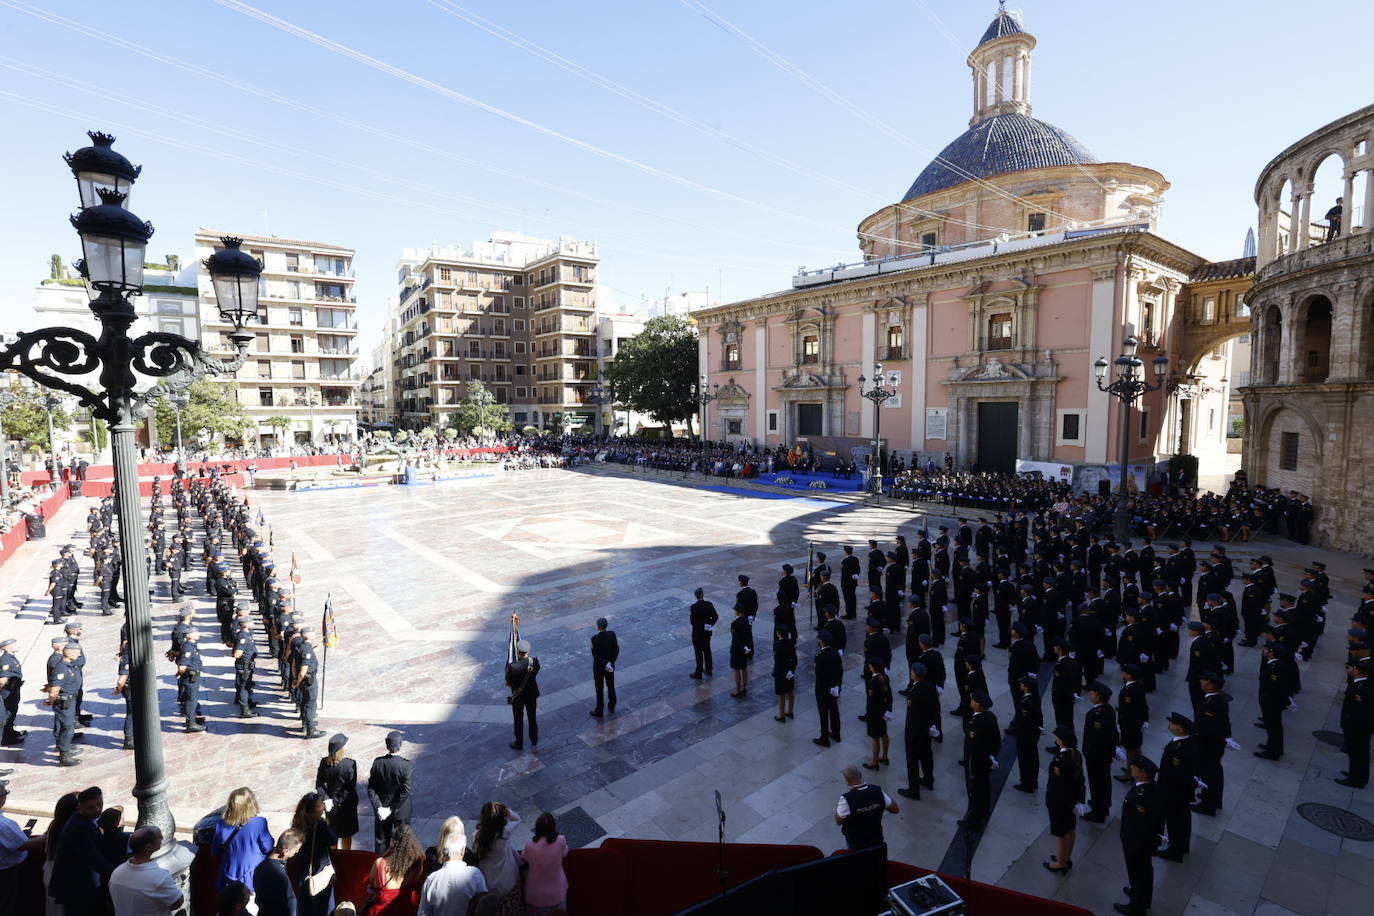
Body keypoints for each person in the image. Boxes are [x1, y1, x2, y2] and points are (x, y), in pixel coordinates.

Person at [50, 786, 114, 913]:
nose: (97, 809)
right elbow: (94, 859)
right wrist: (119, 874)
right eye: (91, 807)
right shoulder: (80, 828)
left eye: (99, 804)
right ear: (79, 807)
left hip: (79, 884)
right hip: (76, 888)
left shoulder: (83, 820)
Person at [1115, 756, 1163, 915]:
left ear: (1143, 773)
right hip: (1141, 841)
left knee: (1137, 873)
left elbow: (1142, 824)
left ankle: (1137, 906)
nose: (1131, 768)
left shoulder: (1144, 796)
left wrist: (1133, 841)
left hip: (1137, 842)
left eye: (1134, 767)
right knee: (1144, 871)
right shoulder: (1147, 787)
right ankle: (1143, 897)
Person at [108, 826, 183, 916]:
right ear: (148, 847)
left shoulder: (117, 872)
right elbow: (177, 902)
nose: (163, 838)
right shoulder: (159, 877)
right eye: (159, 837)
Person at [417, 817, 485, 916]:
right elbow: (483, 903)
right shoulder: (475, 874)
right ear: (462, 849)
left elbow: (423, 913)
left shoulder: (431, 878)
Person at [210, 787, 274, 892]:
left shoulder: (221, 825)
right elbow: (268, 847)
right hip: (252, 878)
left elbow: (214, 851)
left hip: (227, 879)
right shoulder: (259, 823)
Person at [1155, 712, 1199, 862]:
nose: (1170, 724)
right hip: (1181, 792)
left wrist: (1163, 792)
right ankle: (1182, 846)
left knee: (1175, 822)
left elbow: (1175, 775)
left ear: (1181, 729)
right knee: (1183, 820)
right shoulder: (1186, 742)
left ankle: (1175, 851)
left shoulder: (1178, 749)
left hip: (1174, 793)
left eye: (1173, 723)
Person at [1043, 725, 1085, 875]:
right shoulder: (1076, 755)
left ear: (1061, 741)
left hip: (1059, 802)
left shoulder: (1061, 761)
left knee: (1060, 832)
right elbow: (1080, 780)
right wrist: (1079, 800)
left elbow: (1058, 785)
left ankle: (1059, 863)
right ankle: (1066, 857)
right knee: (1070, 829)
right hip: (1071, 801)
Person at [291, 792, 337, 916]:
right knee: (324, 908)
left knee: (306, 908)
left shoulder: (298, 821)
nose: (323, 806)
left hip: (302, 871)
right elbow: (332, 840)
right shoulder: (319, 825)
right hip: (318, 872)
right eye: (321, 804)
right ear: (315, 809)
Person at [959, 691, 1000, 831]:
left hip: (975, 763)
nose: (971, 701)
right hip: (986, 761)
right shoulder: (991, 717)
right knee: (984, 787)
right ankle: (983, 812)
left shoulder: (976, 723)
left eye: (973, 700)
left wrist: (971, 765)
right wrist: (992, 756)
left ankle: (974, 820)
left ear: (979, 705)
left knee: (974, 791)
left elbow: (973, 748)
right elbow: (997, 740)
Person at [834, 764, 899, 851]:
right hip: (876, 838)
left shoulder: (846, 799)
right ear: (860, 774)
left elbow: (838, 821)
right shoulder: (877, 790)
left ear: (846, 781)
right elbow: (895, 809)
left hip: (856, 842)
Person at [899, 662, 939, 800]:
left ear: (916, 675)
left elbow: (912, 716)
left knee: (912, 760)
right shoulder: (931, 688)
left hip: (914, 732)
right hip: (927, 729)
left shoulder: (913, 693)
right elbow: (936, 709)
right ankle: (929, 780)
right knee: (927, 755)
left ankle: (913, 790)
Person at [369, 731, 414, 852]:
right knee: (403, 841)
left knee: (381, 841)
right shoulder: (405, 765)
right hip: (401, 808)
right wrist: (391, 808)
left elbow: (371, 788)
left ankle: (381, 868)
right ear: (400, 744)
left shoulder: (378, 763)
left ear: (387, 745)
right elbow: (405, 790)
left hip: (382, 806)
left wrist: (379, 807)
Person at [1081, 681, 1119, 823]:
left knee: (1097, 782)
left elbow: (1097, 739)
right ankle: (1103, 804)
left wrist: (1089, 752)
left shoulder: (1098, 715)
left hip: (1097, 756)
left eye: (1092, 692)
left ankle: (1098, 812)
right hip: (1103, 755)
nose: (1090, 693)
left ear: (1098, 696)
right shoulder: (1108, 710)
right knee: (1103, 781)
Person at [366, 824, 424, 916]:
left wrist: (385, 854)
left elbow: (372, 884)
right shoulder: (417, 864)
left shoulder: (380, 864)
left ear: (393, 843)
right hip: (407, 911)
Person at [474, 803, 524, 908]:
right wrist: (509, 812)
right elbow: (518, 819)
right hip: (509, 881)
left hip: (488, 882)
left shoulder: (477, 836)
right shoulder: (505, 831)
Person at [317, 733, 360, 850]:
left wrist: (326, 799)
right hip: (346, 805)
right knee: (346, 835)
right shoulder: (350, 764)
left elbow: (319, 784)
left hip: (330, 805)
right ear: (341, 749)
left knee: (332, 833)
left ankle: (334, 857)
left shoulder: (324, 762)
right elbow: (349, 788)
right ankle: (345, 857)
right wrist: (334, 801)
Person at [521, 813, 569, 916]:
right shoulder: (561, 840)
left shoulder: (529, 846)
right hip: (557, 892)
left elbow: (524, 857)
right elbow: (565, 852)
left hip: (535, 895)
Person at [45, 640, 82, 767]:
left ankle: (66, 749)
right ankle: (64, 756)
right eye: (77, 652)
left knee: (68, 726)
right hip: (64, 703)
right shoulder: (61, 668)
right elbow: (54, 690)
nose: (78, 655)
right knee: (66, 727)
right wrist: (51, 701)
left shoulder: (69, 665)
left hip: (70, 701)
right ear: (69, 653)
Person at [0, 784, 36, 916]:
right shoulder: (4, 825)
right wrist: (47, 837)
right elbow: (23, 845)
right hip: (7, 873)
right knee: (7, 906)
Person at [1337, 657, 1373, 788]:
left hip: (1358, 727)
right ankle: (1359, 775)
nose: (1348, 670)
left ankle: (1355, 780)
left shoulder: (1361, 689)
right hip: (1359, 726)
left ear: (1356, 670)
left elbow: (1361, 711)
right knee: (1361, 752)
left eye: (1349, 668)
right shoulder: (1361, 683)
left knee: (1356, 752)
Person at [42, 792, 79, 916]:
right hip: (63, 877)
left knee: (53, 909)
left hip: (50, 872)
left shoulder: (54, 825)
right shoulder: (71, 831)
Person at [252, 829, 302, 916]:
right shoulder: (277, 874)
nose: (297, 851)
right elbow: (282, 904)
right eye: (296, 849)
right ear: (285, 852)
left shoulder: (261, 867)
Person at [505, 640, 540, 751]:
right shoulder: (534, 662)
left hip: (518, 697)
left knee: (518, 720)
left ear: (518, 652)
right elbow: (536, 672)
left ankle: (518, 742)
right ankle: (533, 739)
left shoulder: (513, 667)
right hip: (531, 694)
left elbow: (508, 681)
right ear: (528, 651)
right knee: (532, 717)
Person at [812, 628, 843, 748]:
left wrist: (826, 688)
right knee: (834, 711)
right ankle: (836, 733)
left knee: (823, 714)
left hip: (823, 690)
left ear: (821, 642)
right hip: (834, 689)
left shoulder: (820, 657)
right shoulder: (835, 654)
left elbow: (820, 676)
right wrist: (837, 687)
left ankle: (824, 738)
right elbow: (840, 672)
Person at [863, 657, 892, 771]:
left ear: (874, 668)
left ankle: (874, 761)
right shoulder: (885, 677)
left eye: (870, 666)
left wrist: (869, 714)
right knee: (884, 733)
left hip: (875, 714)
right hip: (883, 712)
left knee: (875, 737)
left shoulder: (873, 682)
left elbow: (872, 701)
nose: (869, 668)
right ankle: (884, 756)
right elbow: (889, 696)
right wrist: (888, 710)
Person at [589, 616, 619, 717]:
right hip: (610, 666)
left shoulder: (595, 639)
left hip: (599, 668)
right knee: (611, 685)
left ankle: (599, 709)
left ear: (598, 627)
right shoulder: (612, 634)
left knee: (599, 688)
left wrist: (604, 664)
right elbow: (616, 649)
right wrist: (610, 662)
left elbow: (596, 655)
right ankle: (612, 705)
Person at [0, 639, 26, 747]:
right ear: (6, 648)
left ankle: (10, 731)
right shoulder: (5, 659)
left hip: (14, 689)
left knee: (12, 711)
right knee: (8, 712)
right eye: (13, 645)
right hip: (8, 691)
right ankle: (6, 737)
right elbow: (2, 680)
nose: (16, 646)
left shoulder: (11, 657)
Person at [688, 588, 718, 679]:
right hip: (707, 633)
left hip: (697, 634)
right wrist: (709, 626)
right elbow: (716, 617)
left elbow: (692, 622)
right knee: (707, 650)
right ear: (702, 595)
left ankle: (699, 672)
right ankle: (709, 669)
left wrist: (700, 626)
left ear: (696, 596)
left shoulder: (693, 607)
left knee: (698, 653)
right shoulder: (709, 604)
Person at [772, 627, 797, 723]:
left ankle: (781, 715)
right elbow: (794, 659)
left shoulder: (777, 645)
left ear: (779, 634)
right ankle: (790, 711)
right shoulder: (791, 643)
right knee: (790, 691)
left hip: (780, 673)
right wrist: (791, 671)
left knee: (781, 694)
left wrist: (783, 672)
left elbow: (778, 662)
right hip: (789, 672)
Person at [728, 605, 754, 698]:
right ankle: (744, 688)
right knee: (744, 668)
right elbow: (749, 636)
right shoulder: (747, 622)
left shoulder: (735, 623)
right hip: (745, 649)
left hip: (736, 649)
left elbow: (735, 637)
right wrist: (747, 647)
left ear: (738, 612)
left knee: (737, 670)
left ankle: (738, 690)